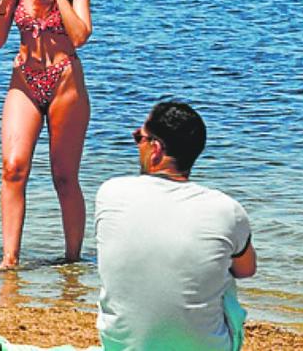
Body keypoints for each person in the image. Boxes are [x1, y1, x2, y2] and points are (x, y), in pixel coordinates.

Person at [96, 101, 256, 350]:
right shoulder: (226, 209)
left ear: (156, 149)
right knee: (223, 272)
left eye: (139, 138)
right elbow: (246, 270)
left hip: (121, 346)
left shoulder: (110, 192)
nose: (137, 145)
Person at [0, 0, 92, 272]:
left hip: (65, 80)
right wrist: (3, 7)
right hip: (25, 79)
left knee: (64, 176)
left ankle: (73, 262)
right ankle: (10, 259)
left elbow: (80, 35)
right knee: (13, 167)